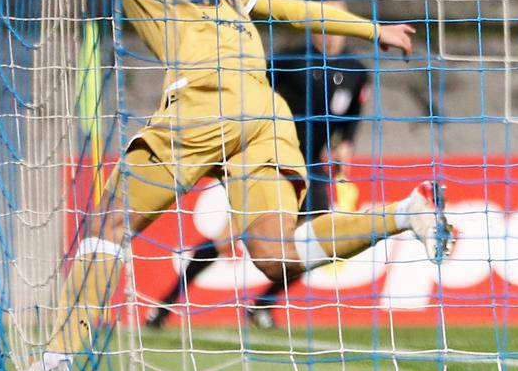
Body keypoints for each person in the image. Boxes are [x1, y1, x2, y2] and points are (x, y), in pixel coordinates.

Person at [0, 0, 454, 371]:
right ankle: (405, 212)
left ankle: (55, 366)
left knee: (107, 227)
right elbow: (288, 6)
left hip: (205, 102)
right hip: (264, 110)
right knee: (278, 257)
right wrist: (375, 29)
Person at [144, 31, 374, 328]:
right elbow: (251, 93)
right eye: (322, 24)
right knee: (229, 237)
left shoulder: (355, 69)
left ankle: (262, 306)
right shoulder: (289, 60)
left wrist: (346, 143)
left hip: (313, 168)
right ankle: (164, 306)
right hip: (273, 162)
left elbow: (353, 111)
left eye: (334, 24)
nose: (329, 32)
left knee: (316, 244)